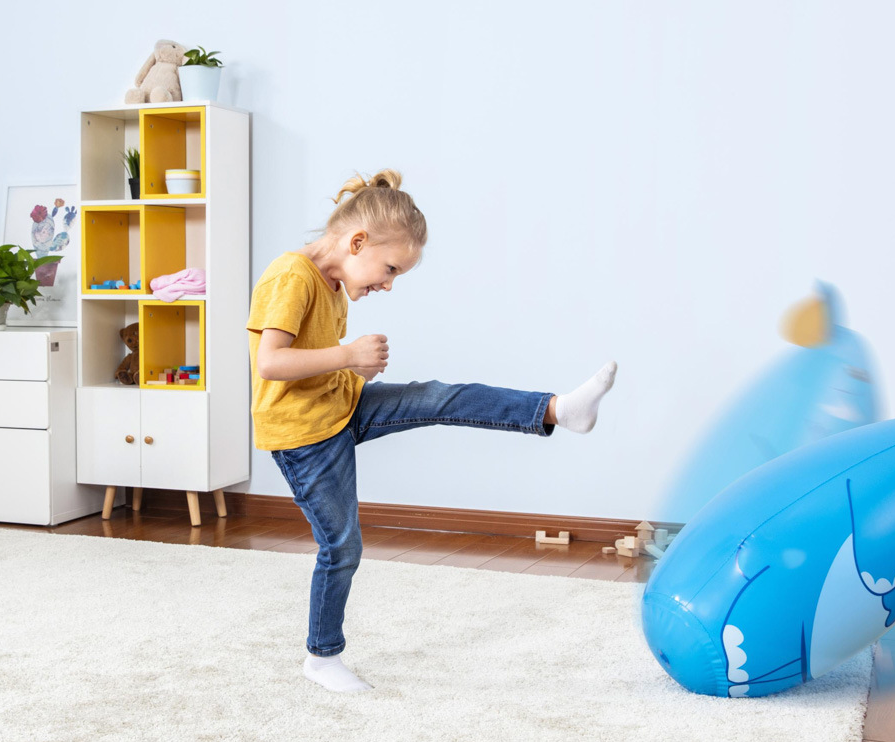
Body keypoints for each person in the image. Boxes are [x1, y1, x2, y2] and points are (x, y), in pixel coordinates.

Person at [247, 169, 618, 692]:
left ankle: (557, 410)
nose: (388, 284)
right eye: (390, 269)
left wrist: (351, 371)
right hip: (305, 437)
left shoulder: (332, 286)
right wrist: (349, 355)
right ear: (357, 242)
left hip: (342, 405)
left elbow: (314, 364)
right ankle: (322, 658)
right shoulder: (292, 276)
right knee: (341, 547)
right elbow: (269, 363)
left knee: (439, 396)